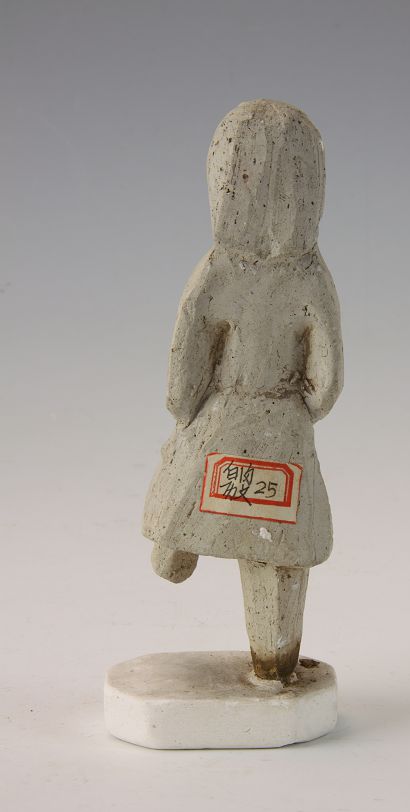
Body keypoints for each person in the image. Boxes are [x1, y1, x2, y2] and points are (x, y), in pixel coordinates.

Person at [143, 99, 343, 683]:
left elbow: (184, 371)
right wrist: (301, 410)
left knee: (190, 484)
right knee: (279, 551)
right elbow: (326, 381)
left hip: (223, 415)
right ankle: (273, 661)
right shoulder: (311, 276)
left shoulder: (218, 270)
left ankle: (178, 541)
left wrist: (185, 411)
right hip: (283, 429)